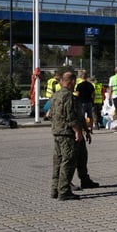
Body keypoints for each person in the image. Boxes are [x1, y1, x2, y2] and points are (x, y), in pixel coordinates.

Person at [49, 70, 83, 201]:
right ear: (72, 81)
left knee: (57, 161)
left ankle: (54, 189)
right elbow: (70, 115)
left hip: (57, 131)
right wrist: (77, 131)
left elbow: (51, 113)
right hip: (66, 133)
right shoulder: (68, 96)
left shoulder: (56, 95)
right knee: (68, 161)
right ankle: (64, 190)